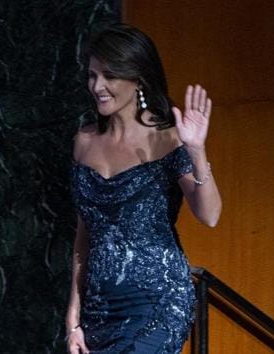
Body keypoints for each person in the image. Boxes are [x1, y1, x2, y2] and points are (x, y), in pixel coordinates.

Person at [66, 23, 222, 353]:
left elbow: (209, 215)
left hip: (156, 301)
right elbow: (84, 238)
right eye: (93, 76)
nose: (98, 86)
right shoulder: (84, 142)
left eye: (109, 76)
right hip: (99, 310)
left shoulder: (166, 138)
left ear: (137, 78)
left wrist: (196, 149)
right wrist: (73, 319)